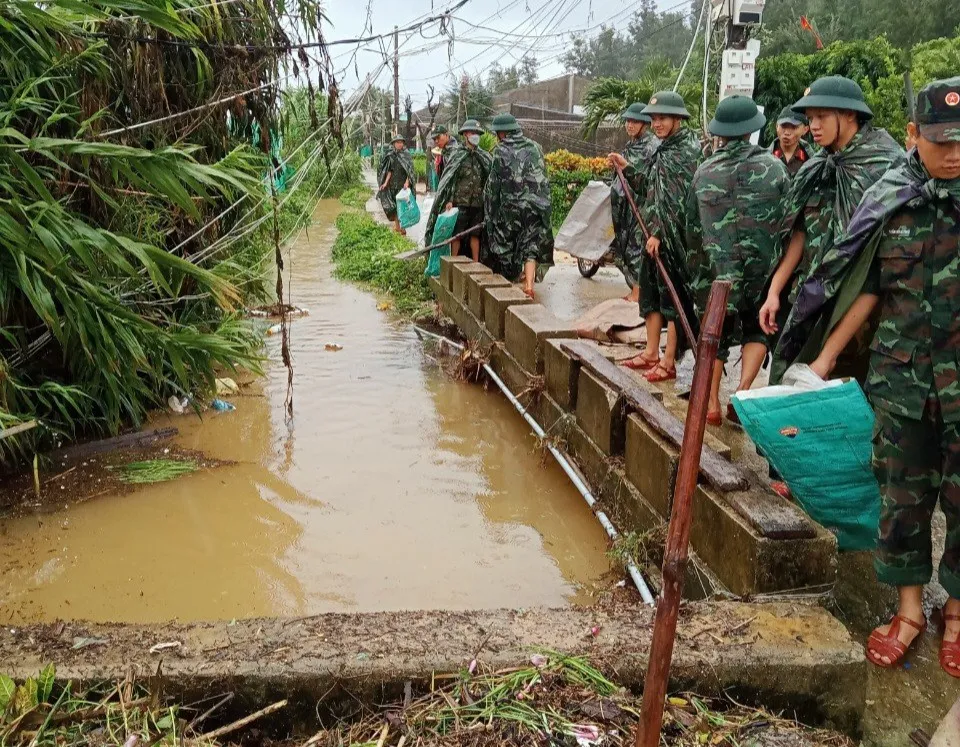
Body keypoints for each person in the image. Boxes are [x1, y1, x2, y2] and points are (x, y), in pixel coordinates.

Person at [799, 77, 960, 678]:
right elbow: (865, 288)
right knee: (901, 499)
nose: (954, 153)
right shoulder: (891, 198)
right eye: (941, 141)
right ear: (913, 135)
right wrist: (823, 360)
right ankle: (910, 610)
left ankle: (957, 613)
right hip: (902, 381)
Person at [759, 76, 905, 383]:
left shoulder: (885, 168)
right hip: (811, 301)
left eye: (822, 117)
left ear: (850, 114)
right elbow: (801, 233)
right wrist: (774, 291)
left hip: (858, 319)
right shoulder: (818, 167)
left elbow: (877, 268)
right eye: (810, 118)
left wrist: (830, 353)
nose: (813, 126)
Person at [687, 96, 789, 426]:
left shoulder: (704, 172)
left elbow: (691, 229)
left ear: (720, 132)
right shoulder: (775, 168)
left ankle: (711, 404)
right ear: (750, 130)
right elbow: (789, 223)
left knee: (715, 333)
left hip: (717, 273)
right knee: (758, 329)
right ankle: (742, 393)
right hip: (763, 270)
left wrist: (697, 274)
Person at [622, 91, 701, 383]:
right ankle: (651, 352)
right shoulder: (663, 149)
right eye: (654, 118)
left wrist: (658, 234)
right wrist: (627, 169)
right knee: (651, 295)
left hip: (674, 239)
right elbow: (651, 188)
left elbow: (679, 202)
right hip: (653, 237)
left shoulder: (686, 151)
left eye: (663, 118)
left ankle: (669, 362)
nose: (657, 124)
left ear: (678, 118)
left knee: (674, 299)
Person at [484, 113, 554, 298]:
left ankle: (509, 282)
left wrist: (491, 211)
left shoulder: (500, 150)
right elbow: (543, 178)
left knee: (506, 243)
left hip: (511, 208)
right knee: (531, 245)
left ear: (503, 133)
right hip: (535, 206)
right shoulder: (535, 146)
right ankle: (529, 286)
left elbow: (494, 185)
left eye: (497, 133)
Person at [608, 102, 657, 303]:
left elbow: (648, 179)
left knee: (636, 247)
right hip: (625, 207)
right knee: (626, 246)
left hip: (641, 207)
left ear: (645, 123)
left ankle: (637, 293)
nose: (630, 125)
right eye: (627, 121)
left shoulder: (652, 146)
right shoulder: (630, 146)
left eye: (635, 121)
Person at [424, 119, 493, 262]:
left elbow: (489, 181)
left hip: (477, 203)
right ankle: (453, 262)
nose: (475, 136)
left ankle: (476, 263)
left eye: (477, 133)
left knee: (475, 235)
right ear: (465, 135)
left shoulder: (484, 156)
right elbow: (451, 179)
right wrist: (449, 200)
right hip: (460, 202)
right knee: (457, 235)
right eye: (472, 133)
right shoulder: (457, 154)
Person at [378, 134, 416, 235]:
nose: (399, 144)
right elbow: (390, 171)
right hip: (393, 185)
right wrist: (385, 183)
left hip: (402, 186)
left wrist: (407, 182)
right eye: (397, 142)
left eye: (401, 142)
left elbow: (410, 171)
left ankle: (403, 227)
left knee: (403, 207)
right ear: (394, 144)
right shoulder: (391, 155)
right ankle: (397, 226)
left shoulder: (406, 155)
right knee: (394, 207)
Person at [770, 106, 813, 177]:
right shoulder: (764, 158)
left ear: (805, 130)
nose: (787, 133)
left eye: (794, 127)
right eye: (783, 126)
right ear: (777, 126)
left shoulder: (812, 162)